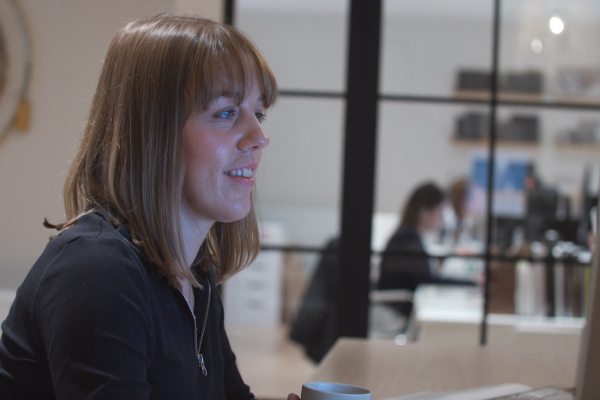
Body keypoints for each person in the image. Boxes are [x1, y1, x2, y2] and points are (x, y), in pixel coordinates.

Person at [0, 14, 287, 400]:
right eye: (225, 113)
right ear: (154, 132)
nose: (259, 137)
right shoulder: (97, 272)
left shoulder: (194, 272)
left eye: (259, 112)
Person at [377, 182, 476, 320]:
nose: (442, 220)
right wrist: (472, 283)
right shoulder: (406, 240)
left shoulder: (409, 237)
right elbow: (427, 280)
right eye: (440, 213)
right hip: (396, 313)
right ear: (424, 213)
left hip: (401, 309)